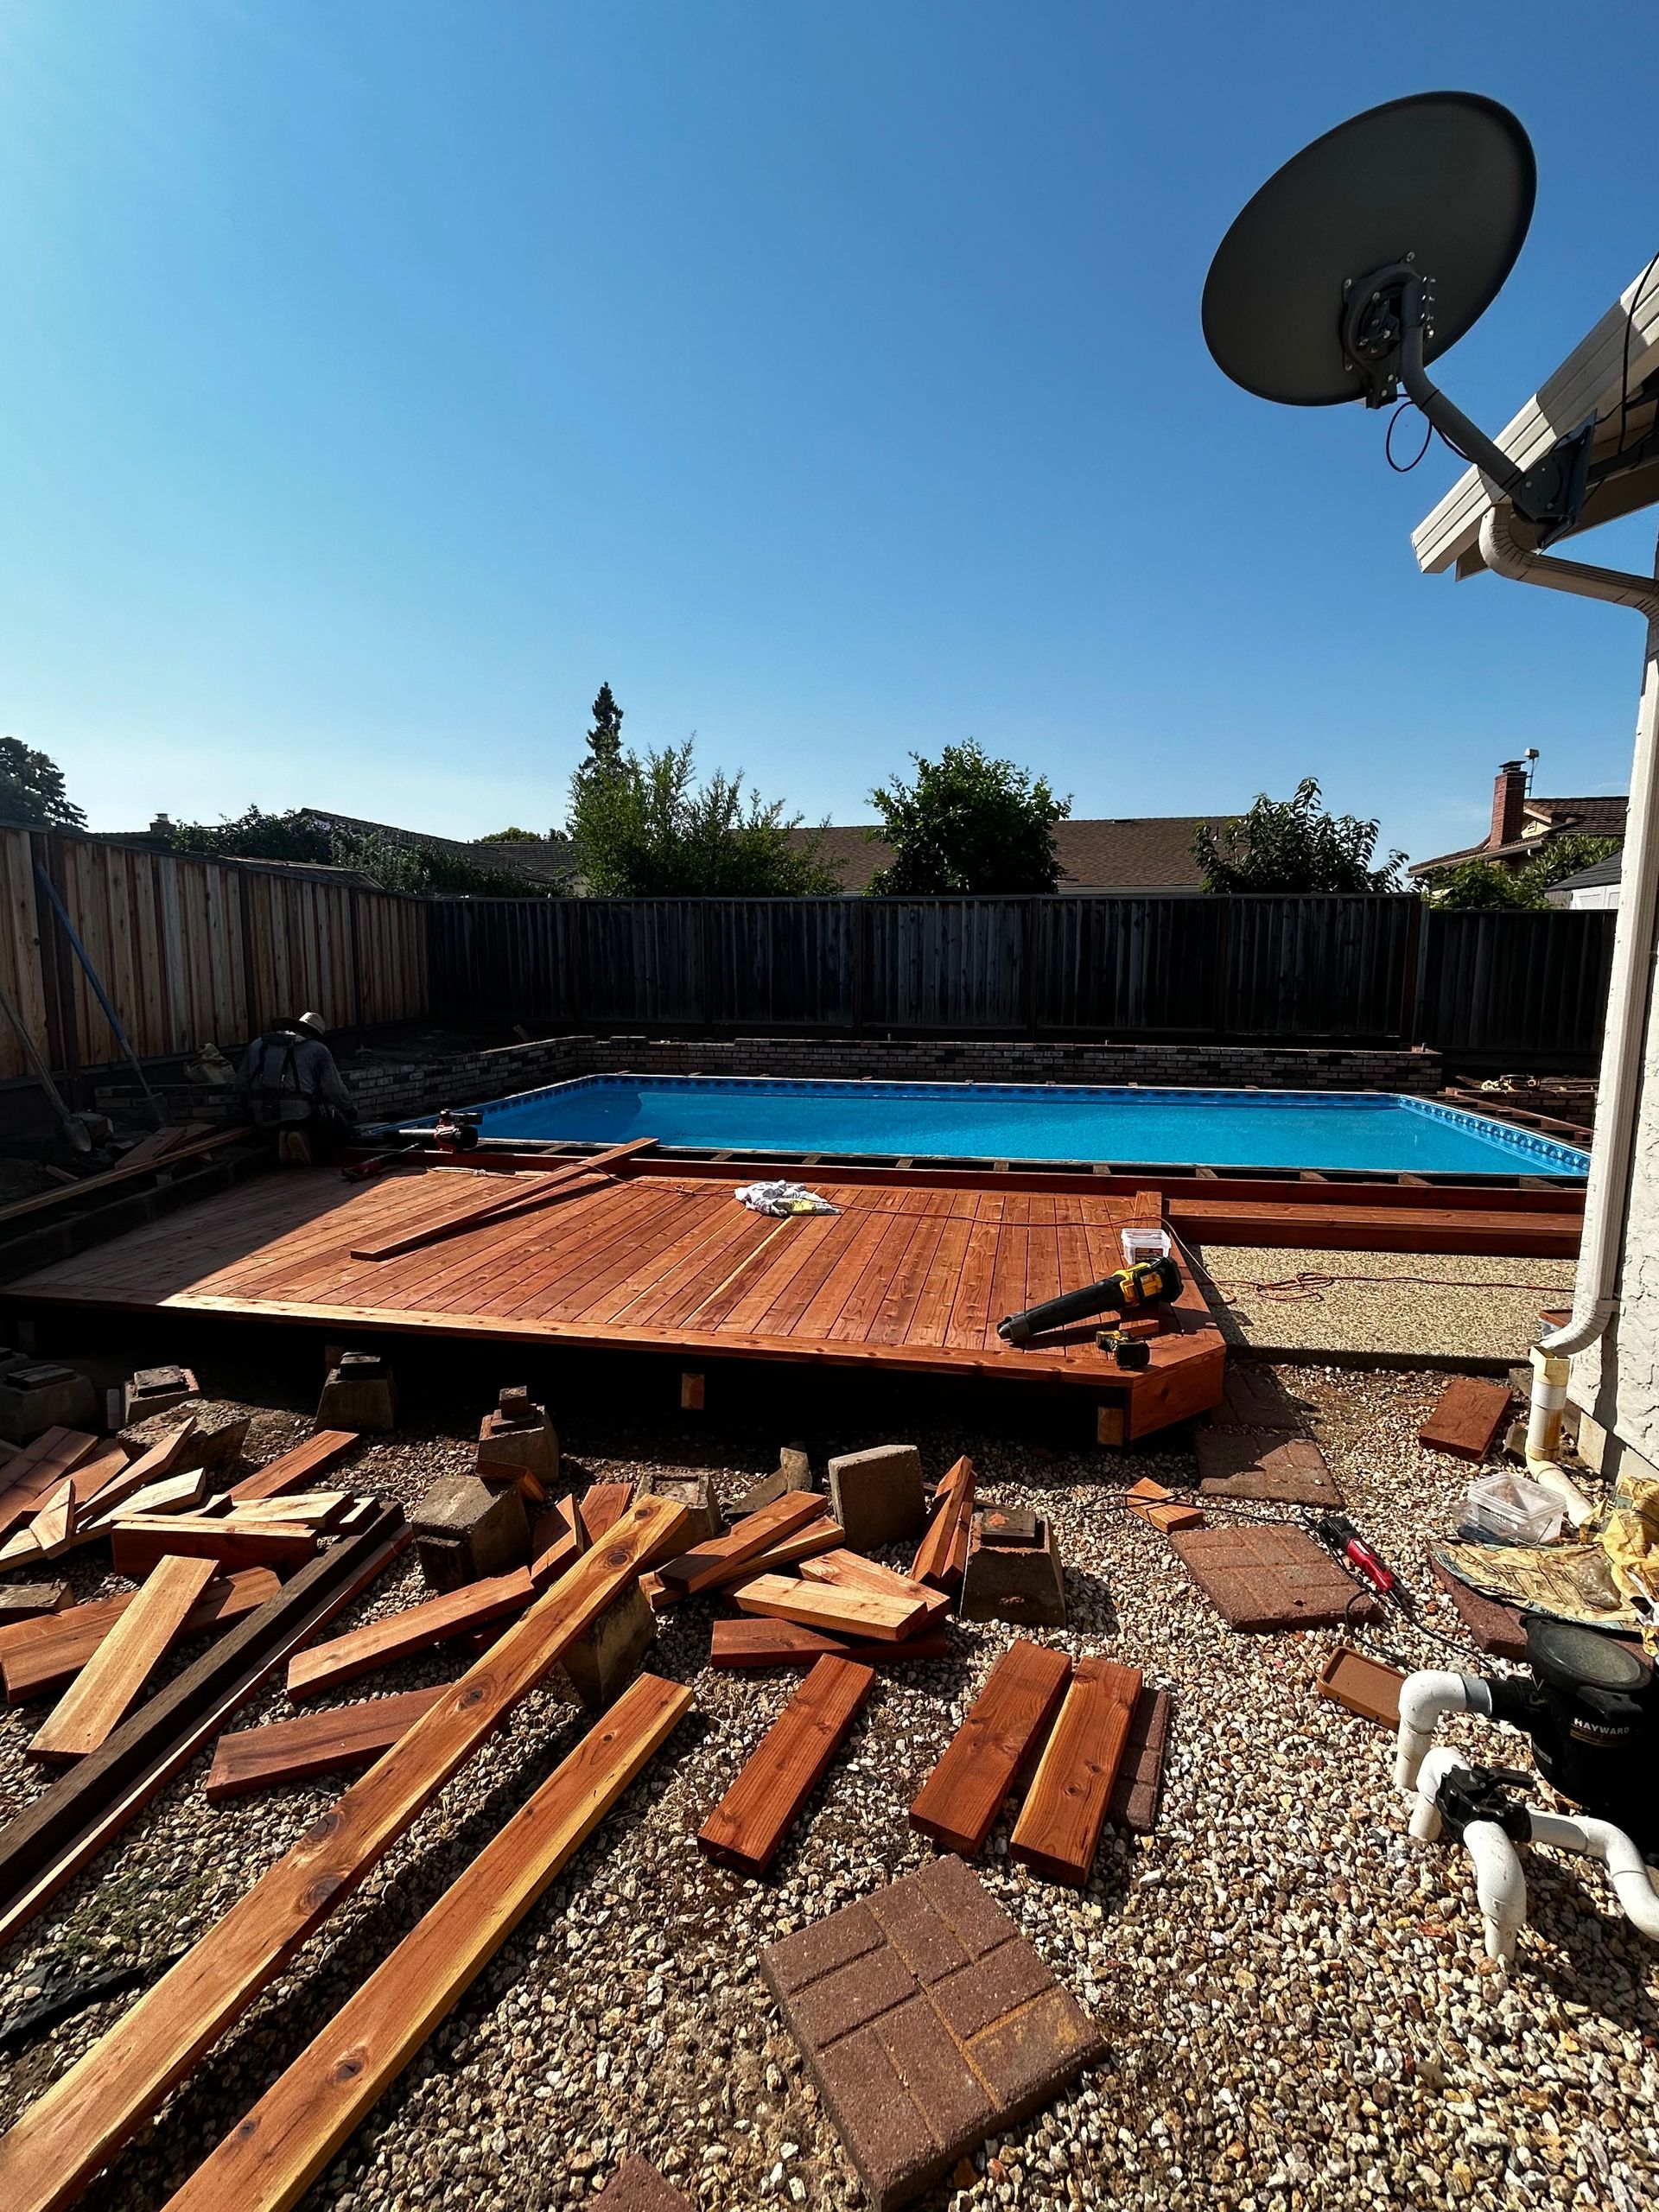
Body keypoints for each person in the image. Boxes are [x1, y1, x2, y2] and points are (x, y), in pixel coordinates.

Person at [240, 1011, 358, 1163]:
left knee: (278, 1123)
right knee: (336, 1133)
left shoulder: (257, 1044)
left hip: (261, 1115)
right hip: (300, 1114)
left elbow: (242, 1083)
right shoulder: (317, 1049)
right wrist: (349, 1109)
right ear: (316, 1034)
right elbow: (334, 1089)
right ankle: (298, 1136)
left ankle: (283, 1137)